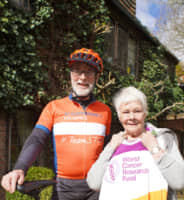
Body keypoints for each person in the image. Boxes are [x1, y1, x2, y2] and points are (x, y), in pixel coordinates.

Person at [1, 48, 112, 200]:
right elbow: (37, 139)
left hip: (96, 188)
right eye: (77, 71)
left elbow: (107, 149)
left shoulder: (105, 111)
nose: (83, 77)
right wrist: (20, 168)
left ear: (97, 77)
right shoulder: (54, 107)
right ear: (70, 75)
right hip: (63, 190)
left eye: (89, 72)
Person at [87, 86, 184, 200]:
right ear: (119, 116)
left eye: (137, 111)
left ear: (145, 114)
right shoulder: (114, 144)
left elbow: (180, 182)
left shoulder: (162, 139)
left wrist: (155, 149)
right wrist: (110, 148)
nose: (132, 117)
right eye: (126, 112)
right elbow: (94, 183)